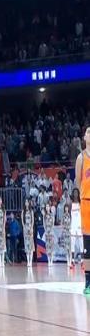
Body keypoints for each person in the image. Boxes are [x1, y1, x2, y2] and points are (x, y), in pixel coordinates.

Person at [75, 126, 90, 294]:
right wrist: (83, 195)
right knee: (87, 244)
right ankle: (88, 282)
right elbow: (78, 181)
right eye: (88, 132)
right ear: (84, 137)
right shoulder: (81, 158)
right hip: (86, 202)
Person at [70, 188, 83, 268]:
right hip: (73, 226)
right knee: (73, 244)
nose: (75, 194)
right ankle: (72, 261)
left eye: (76, 193)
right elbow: (69, 215)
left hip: (80, 225)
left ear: (78, 194)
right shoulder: (70, 203)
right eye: (74, 192)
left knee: (81, 244)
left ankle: (82, 261)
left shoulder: (81, 203)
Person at [21, 199, 35, 267]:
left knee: (31, 245)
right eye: (25, 202)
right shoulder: (23, 211)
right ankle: (28, 261)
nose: (26, 203)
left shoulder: (31, 211)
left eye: (27, 202)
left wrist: (31, 228)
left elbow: (33, 220)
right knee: (26, 244)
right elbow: (22, 221)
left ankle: (30, 261)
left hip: (30, 228)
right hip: (25, 228)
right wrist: (24, 228)